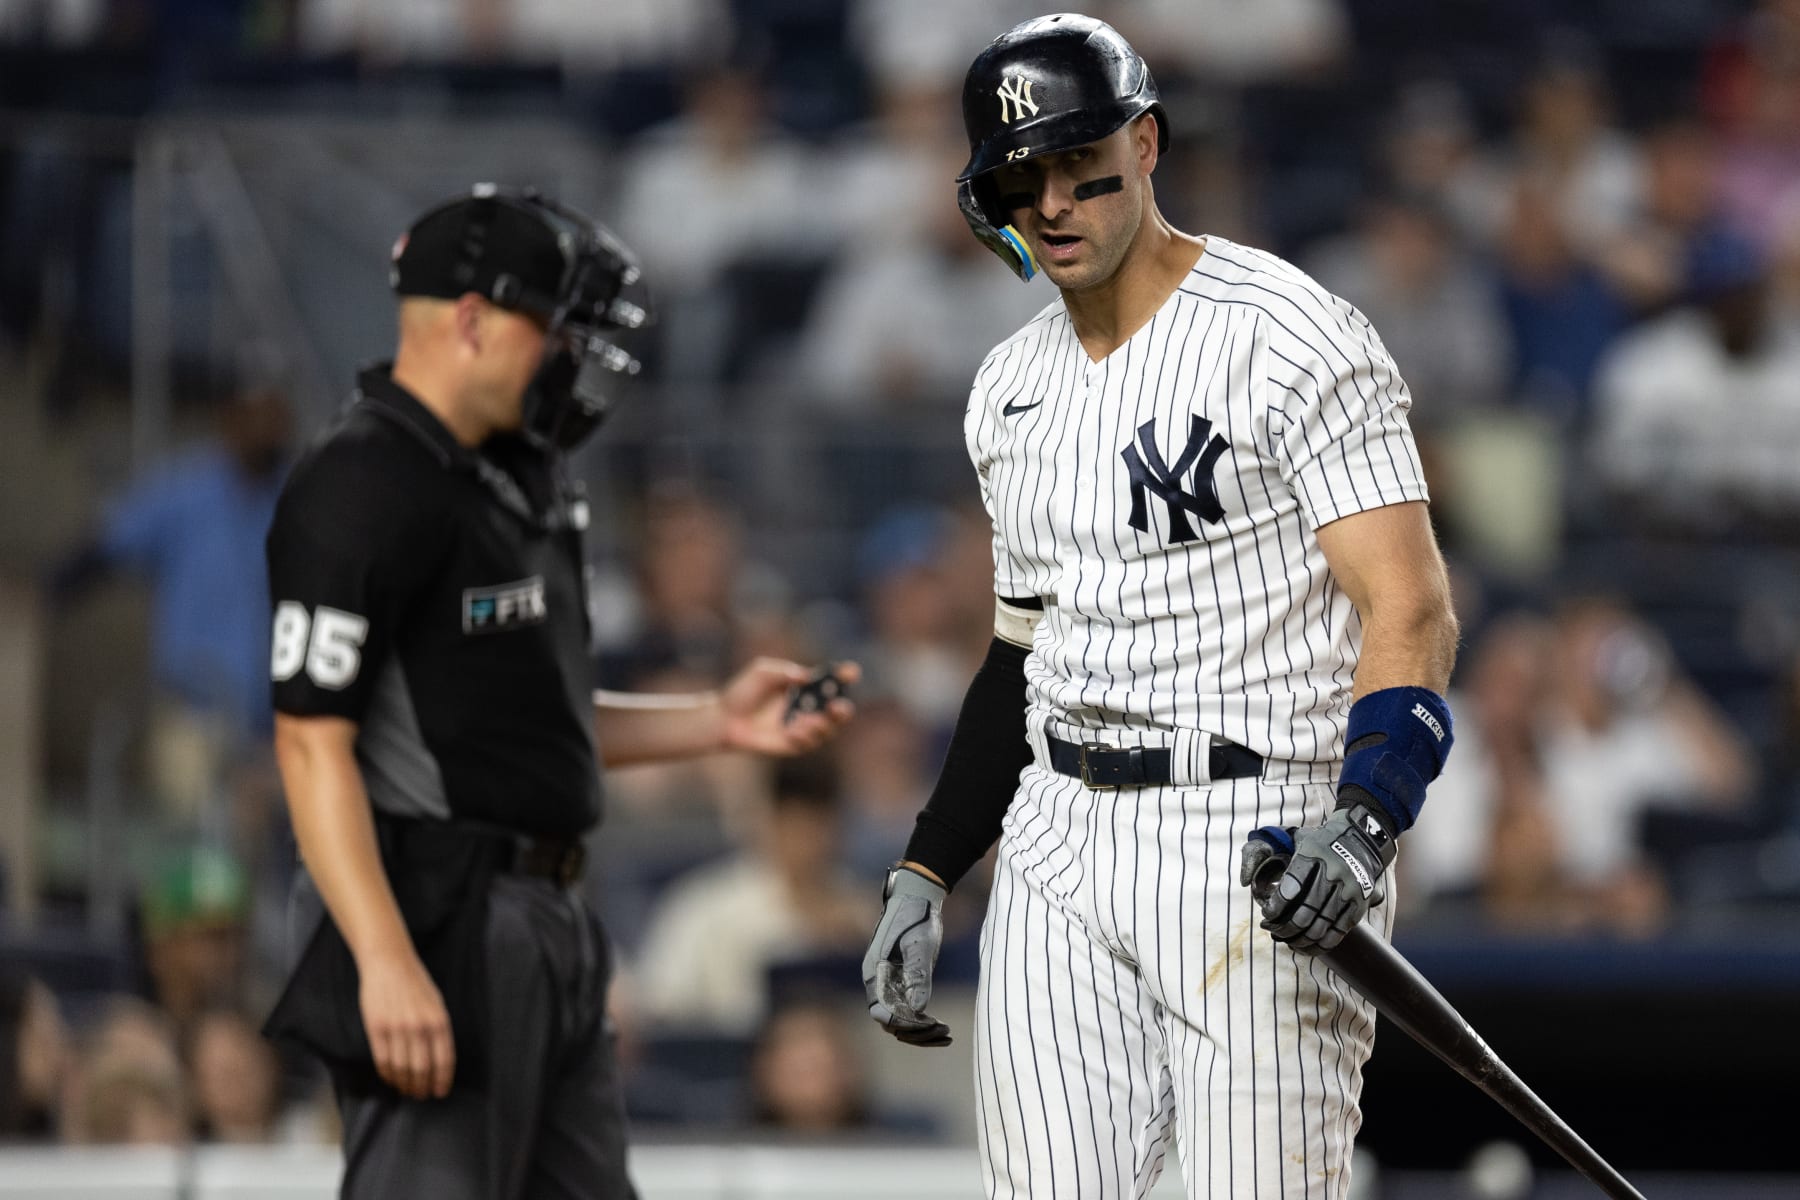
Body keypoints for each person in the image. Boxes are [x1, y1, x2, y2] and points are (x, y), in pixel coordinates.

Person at [861, 15, 1459, 1199]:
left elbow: (1412, 605)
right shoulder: (1010, 388)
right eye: (1017, 180)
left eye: (1079, 166)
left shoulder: (1288, 334)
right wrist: (929, 869)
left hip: (1258, 834)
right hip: (1058, 838)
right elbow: (1021, 654)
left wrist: (1370, 813)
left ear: (1144, 144)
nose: (1053, 203)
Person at [261, 185, 855, 1200]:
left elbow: (544, 723)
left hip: (550, 915)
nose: (573, 363)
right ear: (471, 320)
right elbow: (311, 744)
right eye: (559, 332)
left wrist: (717, 721)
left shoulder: (519, 482)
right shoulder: (360, 481)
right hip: (437, 912)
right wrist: (384, 956)